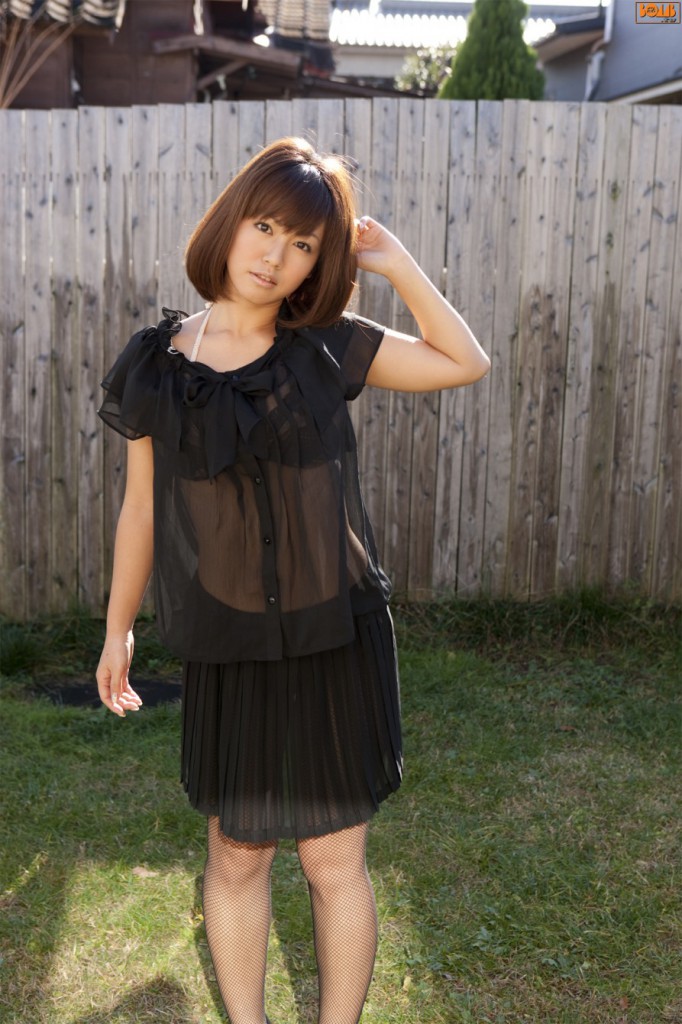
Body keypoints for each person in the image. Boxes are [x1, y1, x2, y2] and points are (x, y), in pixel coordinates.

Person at [95, 136, 489, 1024]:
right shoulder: (156, 365)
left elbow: (463, 362)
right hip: (228, 642)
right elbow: (141, 510)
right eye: (266, 227)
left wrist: (397, 264)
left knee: (332, 860)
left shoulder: (324, 347)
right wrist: (119, 627)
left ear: (320, 262)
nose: (276, 255)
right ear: (231, 223)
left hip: (333, 636)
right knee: (238, 856)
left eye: (304, 243)